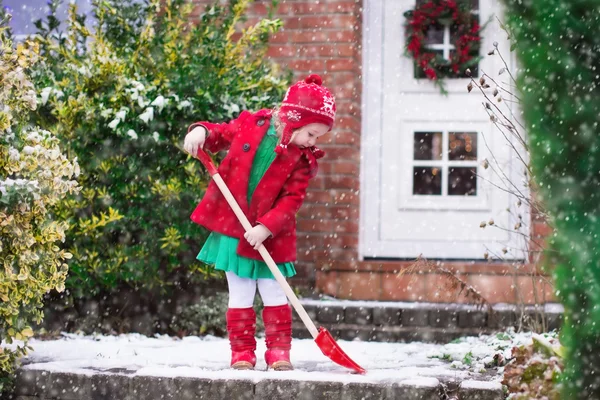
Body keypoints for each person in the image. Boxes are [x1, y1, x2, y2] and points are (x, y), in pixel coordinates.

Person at [183, 74, 336, 371]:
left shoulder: (301, 160)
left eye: (317, 136)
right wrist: (201, 131)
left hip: (271, 234)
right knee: (240, 290)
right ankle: (242, 352)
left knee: (274, 289)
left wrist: (266, 226)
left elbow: (292, 199)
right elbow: (221, 134)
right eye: (312, 133)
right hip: (234, 225)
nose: (313, 141)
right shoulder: (252, 124)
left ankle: (279, 352)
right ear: (293, 120)